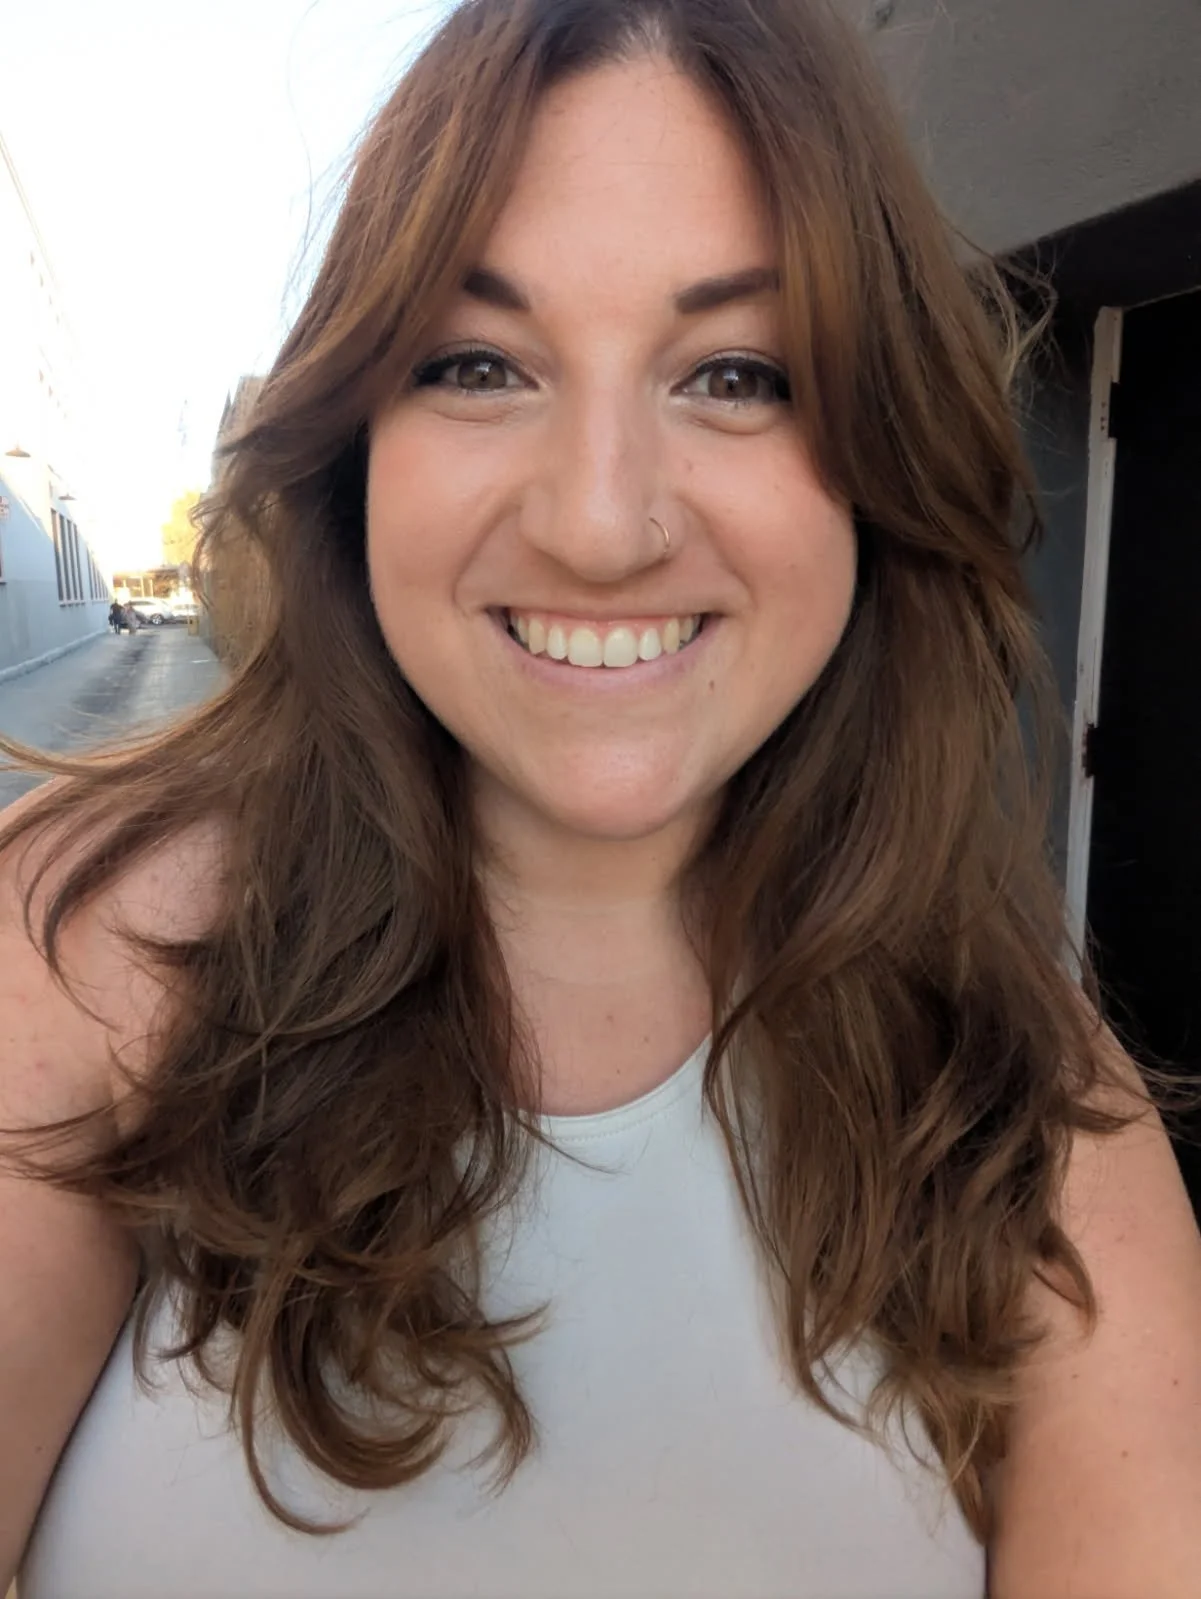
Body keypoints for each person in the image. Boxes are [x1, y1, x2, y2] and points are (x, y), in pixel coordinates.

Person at [2, 0, 1199, 1594]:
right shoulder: (83, 954)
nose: (600, 522)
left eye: (736, 372)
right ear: (358, 445)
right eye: (482, 362)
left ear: (879, 458)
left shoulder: (1029, 1104)